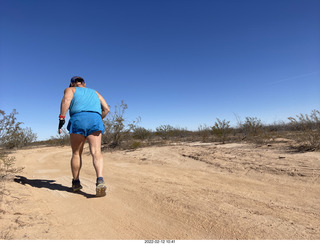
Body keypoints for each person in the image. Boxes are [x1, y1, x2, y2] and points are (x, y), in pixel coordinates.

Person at [58, 76, 110, 197]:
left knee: (76, 153)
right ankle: (100, 180)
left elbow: (66, 101)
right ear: (84, 84)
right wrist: (97, 119)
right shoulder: (94, 91)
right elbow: (106, 109)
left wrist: (61, 118)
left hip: (78, 119)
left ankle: (76, 182)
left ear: (72, 84)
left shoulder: (70, 90)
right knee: (96, 152)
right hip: (95, 119)